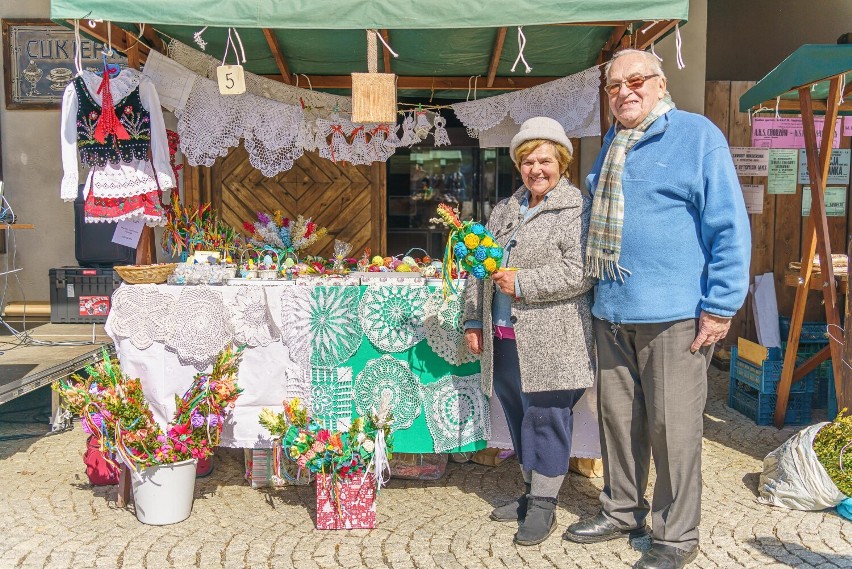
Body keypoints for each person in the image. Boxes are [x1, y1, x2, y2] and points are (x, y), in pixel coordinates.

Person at [563, 49, 751, 569]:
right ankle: (623, 509)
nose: (624, 91)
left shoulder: (696, 136)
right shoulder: (611, 145)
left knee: (674, 428)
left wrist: (720, 306)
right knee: (618, 423)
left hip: (675, 316)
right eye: (614, 85)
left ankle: (675, 535)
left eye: (635, 80)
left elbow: (729, 226)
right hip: (613, 309)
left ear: (660, 83)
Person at [463, 117, 596, 546]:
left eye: (545, 161)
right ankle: (528, 493)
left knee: (548, 420)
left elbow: (581, 273)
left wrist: (522, 283)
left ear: (562, 163)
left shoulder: (576, 210)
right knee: (519, 415)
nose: (536, 169)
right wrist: (472, 319)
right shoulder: (505, 209)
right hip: (503, 334)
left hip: (554, 338)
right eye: (527, 162)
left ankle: (544, 506)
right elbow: (478, 266)